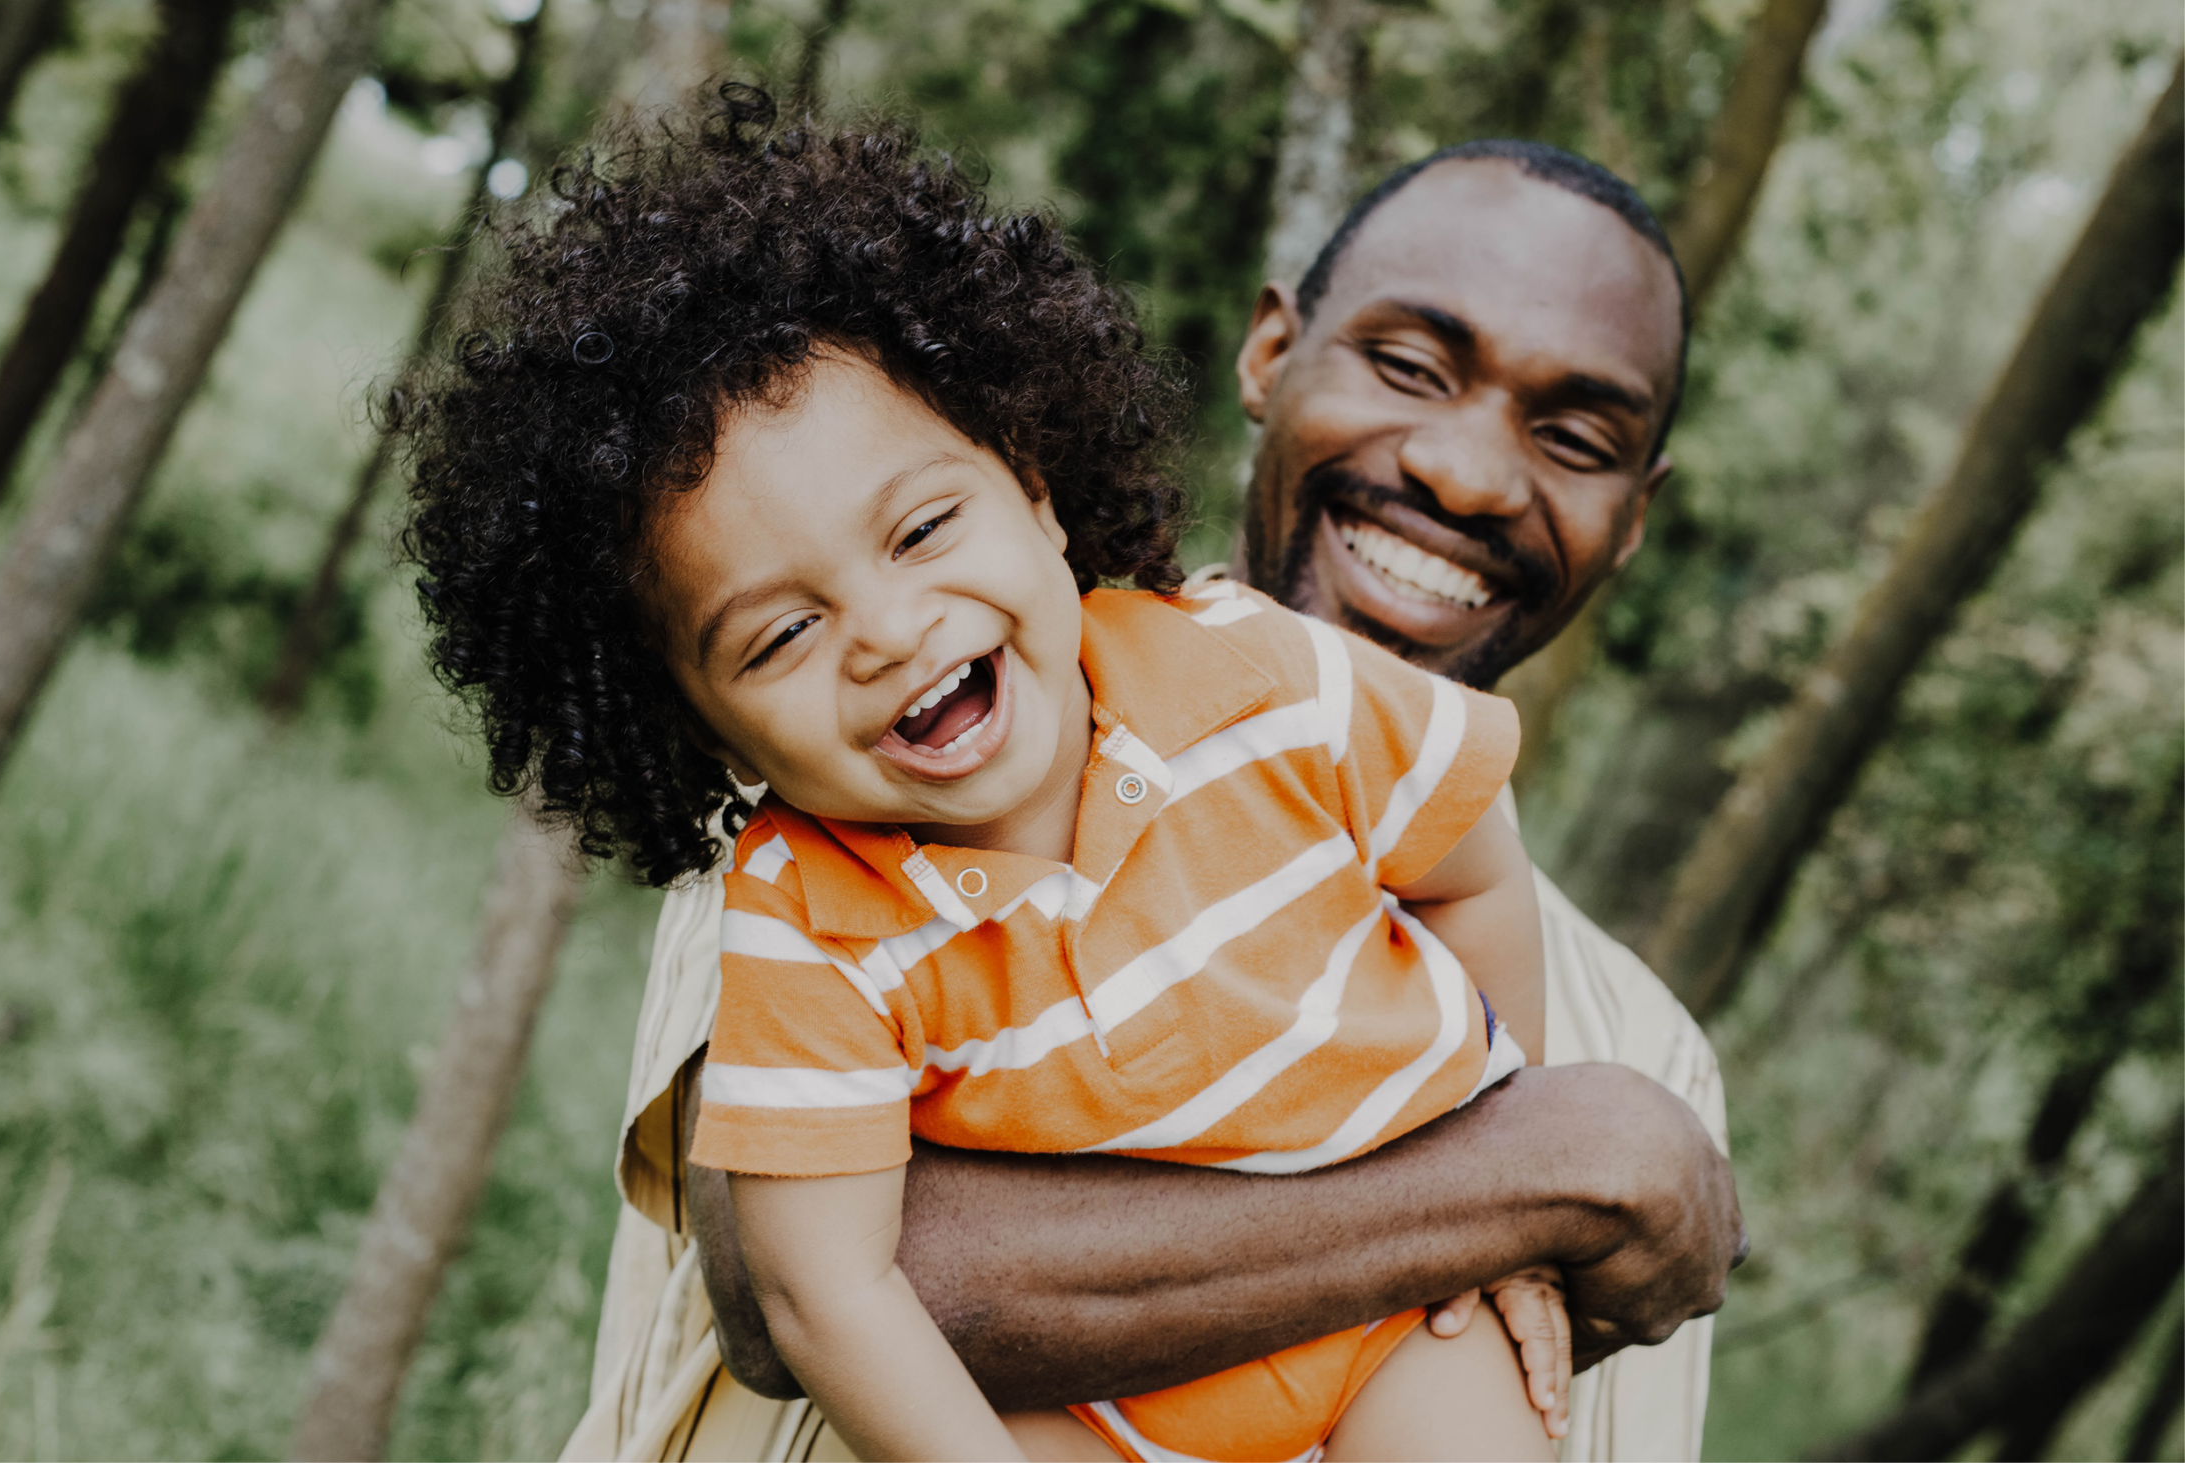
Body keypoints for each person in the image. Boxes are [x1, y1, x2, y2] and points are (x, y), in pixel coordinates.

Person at [549, 127, 1742, 1463]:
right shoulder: (861, 795)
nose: (1464, 474)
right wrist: (1531, 1174)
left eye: (1576, 434)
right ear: (1270, 353)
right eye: (1407, 366)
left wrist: (1543, 1149)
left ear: (1633, 517)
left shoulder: (1650, 1050)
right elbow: (815, 1285)